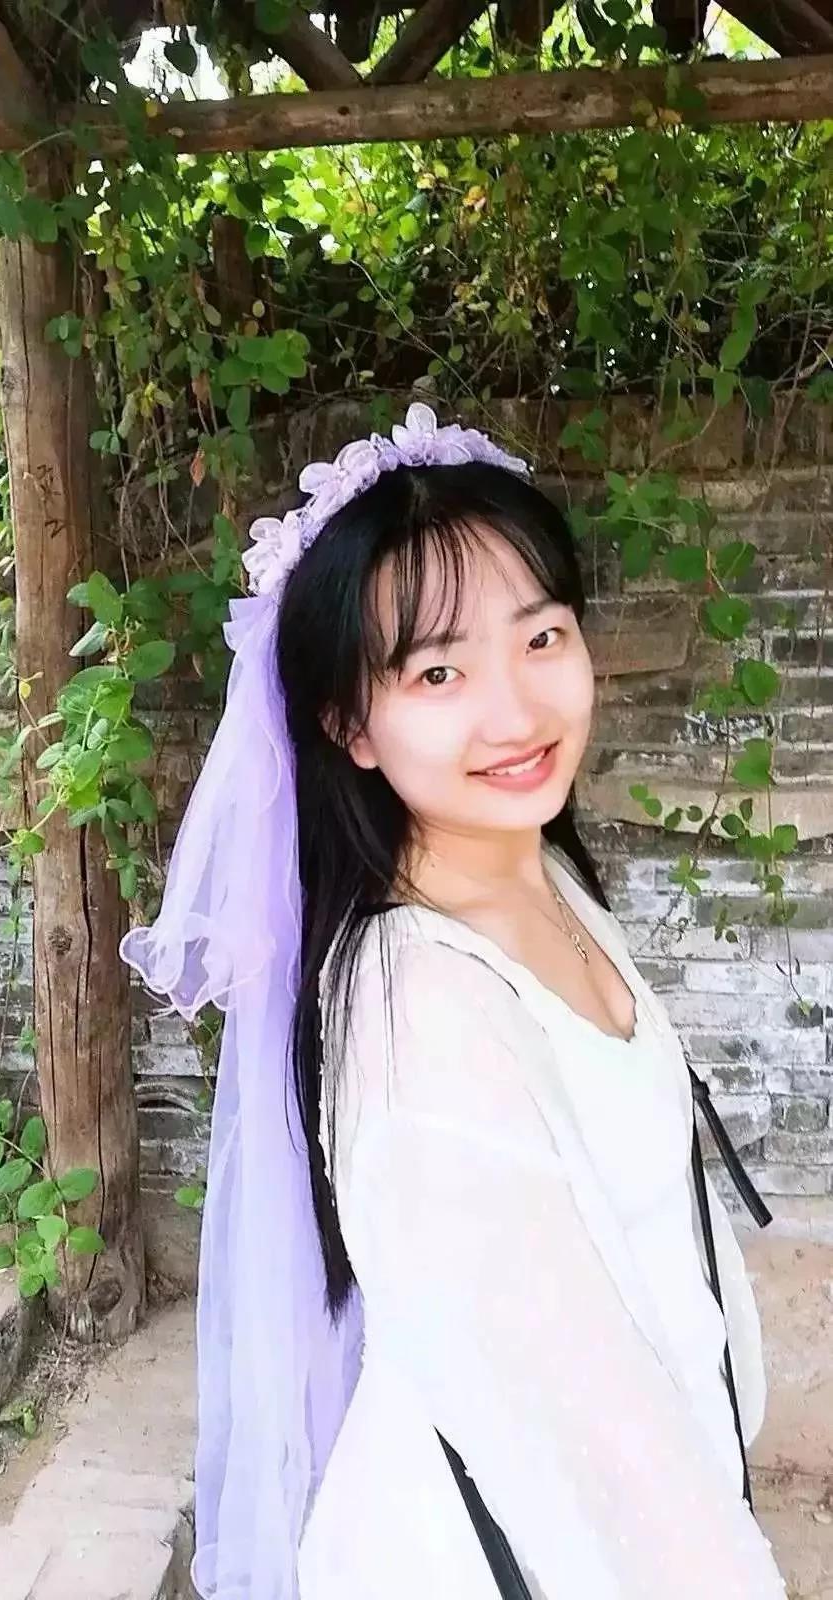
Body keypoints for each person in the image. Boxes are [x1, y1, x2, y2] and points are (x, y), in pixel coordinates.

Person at [120, 402, 788, 1600]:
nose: (516, 713)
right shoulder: (420, 1011)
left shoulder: (541, 876)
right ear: (350, 724)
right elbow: (585, 1436)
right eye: (438, 671)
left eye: (542, 637)